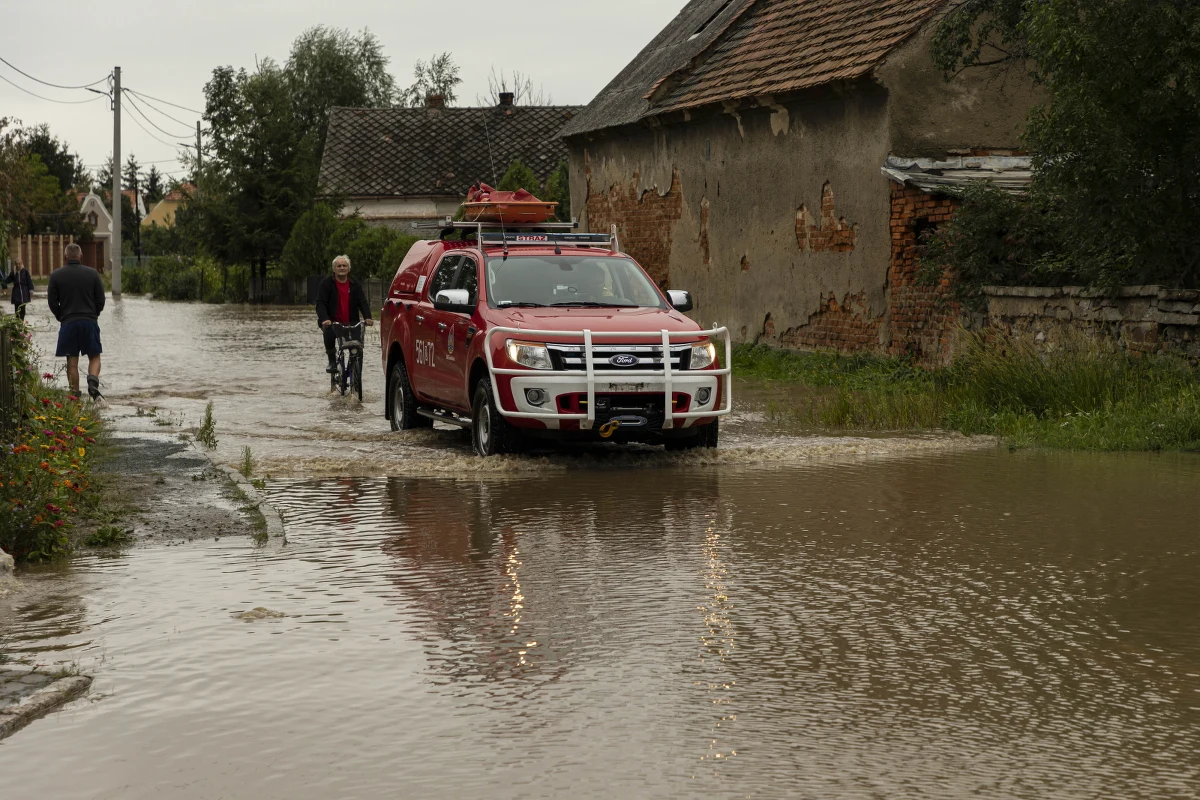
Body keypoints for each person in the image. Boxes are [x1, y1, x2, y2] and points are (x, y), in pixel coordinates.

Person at [47, 244, 106, 399]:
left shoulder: (56, 275)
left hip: (68, 323)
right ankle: (92, 382)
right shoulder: (93, 274)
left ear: (65, 257)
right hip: (89, 322)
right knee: (94, 357)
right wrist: (94, 314)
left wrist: (61, 316)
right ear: (81, 256)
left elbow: (52, 302)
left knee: (72, 362)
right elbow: (101, 299)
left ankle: (75, 398)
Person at [315, 254, 373, 374]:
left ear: (349, 268)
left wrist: (367, 317)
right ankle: (332, 361)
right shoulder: (326, 284)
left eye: (344, 266)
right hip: (332, 323)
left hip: (351, 322)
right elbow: (320, 303)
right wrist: (324, 319)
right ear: (334, 268)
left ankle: (356, 375)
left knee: (357, 347)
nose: (342, 268)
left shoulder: (355, 284)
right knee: (328, 333)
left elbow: (362, 302)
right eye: (339, 266)